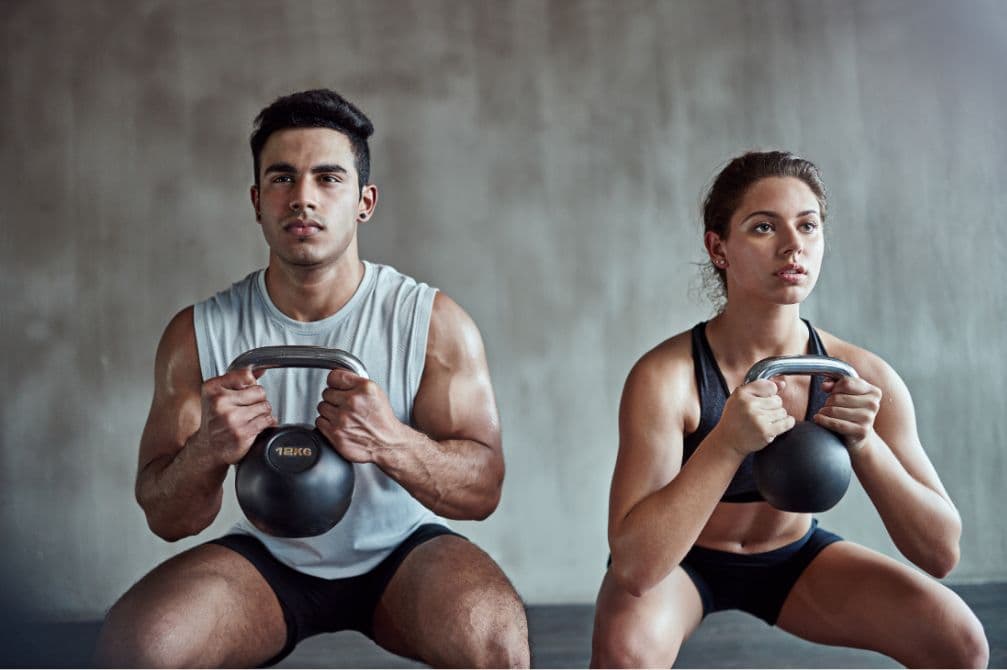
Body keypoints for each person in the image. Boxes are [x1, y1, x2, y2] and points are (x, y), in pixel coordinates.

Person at [94, 89, 529, 668]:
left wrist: (390, 442)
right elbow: (166, 518)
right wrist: (209, 450)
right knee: (137, 648)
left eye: (328, 179)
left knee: (496, 643)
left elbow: (484, 491)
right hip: (267, 563)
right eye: (282, 179)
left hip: (402, 556)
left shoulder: (432, 323)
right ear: (256, 200)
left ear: (364, 201)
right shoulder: (197, 334)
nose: (302, 199)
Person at [590, 151, 989, 668]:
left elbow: (940, 553)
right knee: (627, 656)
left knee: (960, 642)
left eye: (808, 226)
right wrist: (727, 443)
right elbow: (636, 568)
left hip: (794, 560)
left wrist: (864, 443)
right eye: (763, 227)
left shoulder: (863, 376)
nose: (792, 245)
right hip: (681, 566)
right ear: (719, 248)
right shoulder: (667, 378)